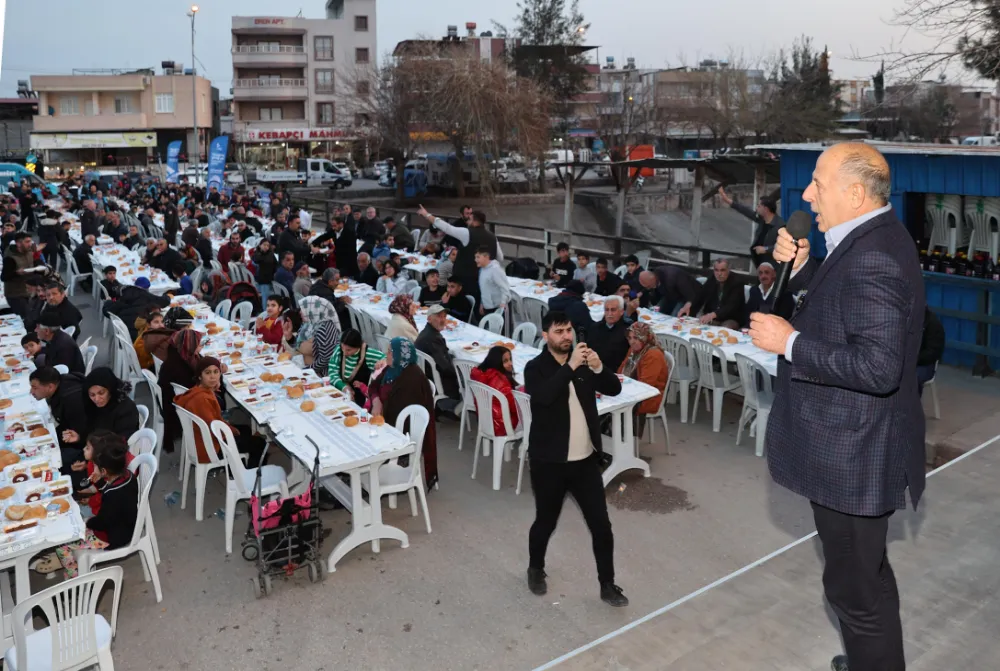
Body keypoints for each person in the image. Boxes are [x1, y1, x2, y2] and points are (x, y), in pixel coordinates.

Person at [748, 143, 925, 671]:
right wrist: (801, 274)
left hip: (855, 458)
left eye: (817, 184)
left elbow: (877, 368)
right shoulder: (870, 241)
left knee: (854, 596)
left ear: (853, 192)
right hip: (854, 451)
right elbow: (840, 313)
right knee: (866, 579)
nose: (805, 195)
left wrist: (790, 344)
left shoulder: (872, 256)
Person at [523, 311, 627, 607]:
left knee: (601, 526)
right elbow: (545, 396)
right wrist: (570, 366)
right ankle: (535, 568)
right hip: (549, 463)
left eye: (568, 330)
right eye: (559, 331)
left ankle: (607, 584)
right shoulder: (535, 368)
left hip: (584, 463)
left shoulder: (581, 366)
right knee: (546, 521)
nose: (566, 336)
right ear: (545, 336)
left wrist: (597, 367)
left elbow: (614, 388)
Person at [51, 435, 138, 579]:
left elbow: (103, 522)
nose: (93, 467)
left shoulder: (112, 494)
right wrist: (98, 484)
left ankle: (76, 581)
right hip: (125, 526)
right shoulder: (128, 477)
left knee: (62, 545)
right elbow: (112, 504)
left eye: (96, 465)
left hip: (112, 536)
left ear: (103, 471)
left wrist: (86, 523)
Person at [366, 337, 438, 488]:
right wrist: (376, 401)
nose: (387, 354)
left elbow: (398, 418)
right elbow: (373, 386)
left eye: (391, 352)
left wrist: (378, 415)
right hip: (385, 421)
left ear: (401, 354)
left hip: (400, 436)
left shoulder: (411, 378)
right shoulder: (391, 369)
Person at [175, 357, 268, 466]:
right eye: (207, 373)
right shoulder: (202, 399)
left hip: (205, 439)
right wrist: (233, 431)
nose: (212, 376)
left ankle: (237, 467)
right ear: (200, 376)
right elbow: (215, 428)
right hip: (211, 447)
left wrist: (212, 390)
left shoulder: (197, 390)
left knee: (246, 429)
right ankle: (250, 476)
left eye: (216, 372)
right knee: (260, 443)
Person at [417, 205, 501, 299]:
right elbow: (500, 257)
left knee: (461, 308)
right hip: (484, 281)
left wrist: (426, 214)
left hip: (464, 282)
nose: (467, 222)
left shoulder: (467, 233)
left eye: (469, 219)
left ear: (474, 221)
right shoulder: (493, 237)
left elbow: (447, 228)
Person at [158, 329, 212, 451]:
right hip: (185, 411)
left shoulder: (175, 358)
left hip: (173, 406)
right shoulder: (182, 368)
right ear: (189, 345)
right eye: (198, 344)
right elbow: (199, 388)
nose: (201, 347)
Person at [29, 366, 88, 473]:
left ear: (50, 387)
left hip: (86, 446)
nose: (31, 392)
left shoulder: (71, 400)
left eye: (34, 388)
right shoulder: (62, 383)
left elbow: (84, 431)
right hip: (76, 436)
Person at [618, 322, 669, 437]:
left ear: (645, 337)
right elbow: (621, 369)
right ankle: (614, 442)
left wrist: (622, 389)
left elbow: (645, 386)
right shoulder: (634, 350)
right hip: (632, 388)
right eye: (629, 338)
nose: (632, 341)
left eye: (636, 338)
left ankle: (623, 444)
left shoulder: (653, 354)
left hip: (649, 396)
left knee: (617, 407)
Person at [718, 187, 785, 267]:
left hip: (774, 266)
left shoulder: (780, 225)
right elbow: (745, 211)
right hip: (761, 265)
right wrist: (728, 200)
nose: (756, 209)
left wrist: (766, 249)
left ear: (766, 209)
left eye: (759, 206)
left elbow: (784, 246)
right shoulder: (762, 220)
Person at [677, 258, 746, 330]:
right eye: (716, 270)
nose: (719, 274)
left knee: (725, 329)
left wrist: (712, 315)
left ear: (729, 269)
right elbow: (701, 295)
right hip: (713, 317)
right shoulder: (712, 278)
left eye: (722, 270)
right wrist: (689, 304)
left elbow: (731, 306)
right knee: (695, 326)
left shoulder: (738, 282)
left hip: (730, 318)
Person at [75, 368, 141, 440]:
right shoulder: (92, 405)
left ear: (110, 390)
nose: (97, 399)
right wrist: (79, 438)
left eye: (101, 393)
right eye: (92, 395)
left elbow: (122, 441)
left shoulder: (126, 409)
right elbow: (90, 431)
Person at [415, 304, 461, 406]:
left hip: (426, 376)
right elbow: (445, 367)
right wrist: (460, 373)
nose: (443, 320)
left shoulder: (427, 332)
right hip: (437, 380)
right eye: (439, 316)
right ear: (429, 319)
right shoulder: (433, 338)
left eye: (444, 316)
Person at [470, 346, 520, 436]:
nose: (510, 363)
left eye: (510, 359)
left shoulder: (480, 374)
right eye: (505, 361)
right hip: (502, 425)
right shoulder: (501, 383)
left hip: (485, 420)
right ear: (497, 362)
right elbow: (515, 408)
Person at [329, 328, 386, 406]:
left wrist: (382, 362)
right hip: (341, 393)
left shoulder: (368, 354)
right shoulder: (338, 351)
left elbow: (385, 358)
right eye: (343, 348)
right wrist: (343, 387)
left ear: (358, 347)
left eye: (349, 350)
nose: (344, 352)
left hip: (361, 400)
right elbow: (332, 373)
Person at [289, 296, 342, 376]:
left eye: (303, 309)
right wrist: (289, 337)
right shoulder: (309, 325)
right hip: (309, 368)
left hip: (323, 375)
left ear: (313, 309)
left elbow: (326, 359)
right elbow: (298, 345)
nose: (300, 312)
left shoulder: (324, 328)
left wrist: (307, 370)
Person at [584, 295, 632, 373]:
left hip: (615, 373)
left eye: (613, 310)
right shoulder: (594, 327)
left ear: (621, 312)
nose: (609, 313)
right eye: (607, 310)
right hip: (592, 370)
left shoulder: (627, 331)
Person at [637, 265, 702, 315]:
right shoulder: (654, 276)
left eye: (648, 286)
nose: (648, 288)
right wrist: (642, 292)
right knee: (654, 312)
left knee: (675, 316)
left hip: (685, 296)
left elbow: (690, 294)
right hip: (670, 294)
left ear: (653, 280)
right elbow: (646, 284)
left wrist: (688, 304)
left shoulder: (672, 277)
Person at [2, 232, 39, 318]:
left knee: (33, 316)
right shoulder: (10, 258)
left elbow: (32, 263)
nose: (30, 244)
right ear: (18, 243)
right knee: (26, 318)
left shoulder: (28, 251)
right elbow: (4, 277)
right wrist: (16, 273)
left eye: (30, 241)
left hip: (28, 291)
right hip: (15, 294)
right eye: (27, 242)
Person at [476, 245, 510, 322]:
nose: (475, 260)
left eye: (478, 257)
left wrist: (503, 303)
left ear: (486, 257)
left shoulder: (495, 270)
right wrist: (482, 303)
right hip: (487, 306)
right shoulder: (481, 270)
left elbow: (505, 288)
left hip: (497, 307)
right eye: (475, 257)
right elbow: (484, 287)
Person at [917, 306, 945, 397]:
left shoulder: (933, 324)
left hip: (925, 364)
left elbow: (933, 353)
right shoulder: (906, 320)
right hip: (909, 362)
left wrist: (913, 359)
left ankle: (912, 409)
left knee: (911, 379)